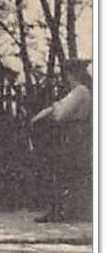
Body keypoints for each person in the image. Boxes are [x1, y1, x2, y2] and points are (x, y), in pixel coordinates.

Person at [32, 60, 92, 222]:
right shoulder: (76, 92)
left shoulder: (80, 91)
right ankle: (66, 210)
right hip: (73, 134)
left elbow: (61, 115)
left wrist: (54, 108)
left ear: (72, 74)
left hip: (74, 134)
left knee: (66, 172)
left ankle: (61, 211)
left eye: (68, 73)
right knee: (68, 173)